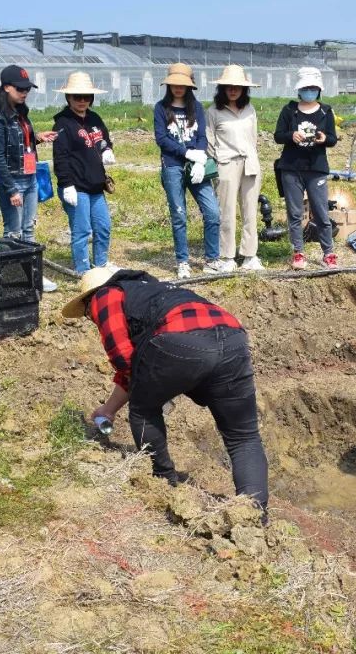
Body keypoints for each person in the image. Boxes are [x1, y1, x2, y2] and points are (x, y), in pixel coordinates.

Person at [62, 267, 269, 515]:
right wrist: (109, 409)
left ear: (88, 300)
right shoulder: (156, 291)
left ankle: (163, 480)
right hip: (232, 336)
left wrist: (146, 391)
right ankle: (254, 516)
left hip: (180, 339)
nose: (90, 316)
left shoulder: (104, 295)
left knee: (143, 410)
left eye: (87, 314)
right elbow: (136, 368)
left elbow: (123, 358)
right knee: (243, 437)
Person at [0, 64, 60, 292]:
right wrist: (11, 190)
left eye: (27, 88)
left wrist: (37, 138)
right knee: (13, 231)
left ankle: (32, 275)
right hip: (14, 181)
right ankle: (12, 277)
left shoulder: (21, 114)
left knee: (29, 229)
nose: (25, 92)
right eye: (20, 88)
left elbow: (20, 144)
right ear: (6, 87)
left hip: (30, 177)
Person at [153, 63, 224, 279]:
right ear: (169, 85)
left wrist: (201, 159)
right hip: (173, 166)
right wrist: (186, 153)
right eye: (174, 84)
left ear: (189, 87)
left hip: (196, 165)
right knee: (179, 214)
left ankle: (212, 259)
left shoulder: (197, 108)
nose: (178, 88)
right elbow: (162, 139)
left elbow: (202, 136)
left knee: (212, 211)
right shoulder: (161, 108)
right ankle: (182, 261)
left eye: (182, 84)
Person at [273, 67, 338, 270]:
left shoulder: (326, 111)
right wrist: (291, 135)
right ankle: (298, 253)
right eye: (306, 88)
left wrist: (324, 138)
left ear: (318, 90)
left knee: (320, 212)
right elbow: (278, 135)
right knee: (294, 213)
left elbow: (333, 139)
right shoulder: (289, 110)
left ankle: (328, 253)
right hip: (291, 168)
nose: (309, 91)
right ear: (299, 89)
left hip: (316, 168)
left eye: (313, 88)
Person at [52, 71, 115, 274]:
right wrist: (66, 183)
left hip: (96, 185)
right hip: (76, 186)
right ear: (68, 97)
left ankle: (101, 265)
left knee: (103, 227)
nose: (81, 100)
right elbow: (60, 156)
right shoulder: (63, 123)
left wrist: (107, 149)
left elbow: (104, 138)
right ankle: (83, 270)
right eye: (76, 96)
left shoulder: (94, 118)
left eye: (86, 96)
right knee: (82, 230)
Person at [207, 65, 263, 272]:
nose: (233, 90)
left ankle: (250, 255)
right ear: (222, 89)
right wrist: (220, 161)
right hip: (226, 163)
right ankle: (227, 256)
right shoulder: (213, 111)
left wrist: (251, 155)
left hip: (250, 162)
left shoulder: (250, 110)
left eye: (237, 87)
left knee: (250, 210)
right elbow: (210, 141)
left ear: (243, 89)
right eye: (228, 87)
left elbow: (254, 138)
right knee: (227, 211)